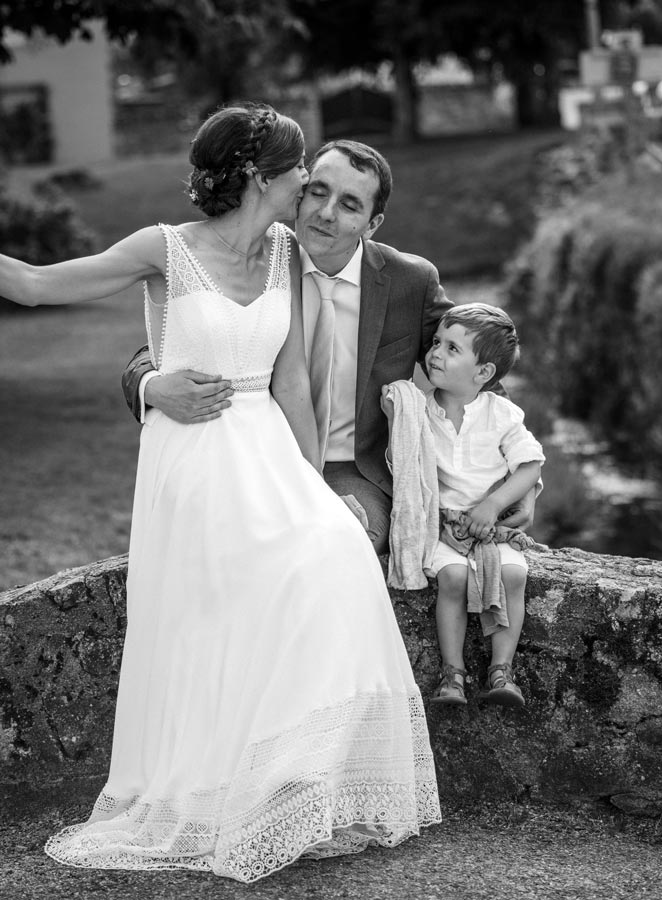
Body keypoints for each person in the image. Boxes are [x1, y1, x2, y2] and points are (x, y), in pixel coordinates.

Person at [0, 103, 441, 882]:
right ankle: (216, 790)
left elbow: (291, 380)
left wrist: (314, 488)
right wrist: (154, 382)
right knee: (226, 605)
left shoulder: (283, 252)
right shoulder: (163, 249)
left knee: (332, 550)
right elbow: (34, 286)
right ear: (256, 176)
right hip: (194, 457)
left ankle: (294, 779)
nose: (307, 183)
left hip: (267, 448)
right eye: (300, 169)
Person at [121, 139, 537, 553]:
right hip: (256, 457)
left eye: (349, 205)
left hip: (352, 470)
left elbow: (476, 371)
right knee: (228, 540)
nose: (325, 213)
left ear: (372, 224)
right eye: (318, 193)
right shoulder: (259, 260)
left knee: (336, 543)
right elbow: (170, 342)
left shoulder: (410, 282)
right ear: (300, 194)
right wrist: (150, 385)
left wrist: (519, 482)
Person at [381, 304, 545, 710]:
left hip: (491, 526)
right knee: (453, 578)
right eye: (436, 342)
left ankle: (502, 670)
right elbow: (404, 466)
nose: (435, 353)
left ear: (483, 372)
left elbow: (530, 465)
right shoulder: (418, 409)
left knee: (513, 574)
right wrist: (395, 418)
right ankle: (452, 674)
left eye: (452, 349)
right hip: (443, 528)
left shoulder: (501, 414)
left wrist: (493, 504)